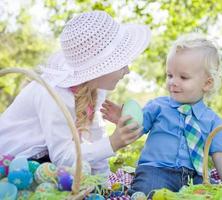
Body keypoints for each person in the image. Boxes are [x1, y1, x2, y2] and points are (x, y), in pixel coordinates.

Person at [0, 11, 151, 176]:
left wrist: (104, 181)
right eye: (122, 64)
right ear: (101, 68)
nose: (128, 70)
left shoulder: (95, 88)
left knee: (82, 173)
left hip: (44, 158)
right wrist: (113, 143)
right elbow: (62, 156)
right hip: (15, 162)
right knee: (68, 175)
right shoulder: (54, 94)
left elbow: (96, 136)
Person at [101, 33, 222, 195]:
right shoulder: (158, 106)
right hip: (156, 170)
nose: (173, 82)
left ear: (207, 83)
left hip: (195, 177)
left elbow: (221, 154)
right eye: (170, 75)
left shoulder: (213, 121)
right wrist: (124, 121)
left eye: (183, 77)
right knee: (147, 191)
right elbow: (136, 129)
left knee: (213, 194)